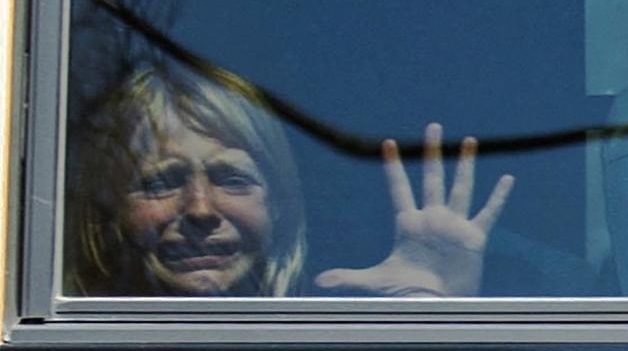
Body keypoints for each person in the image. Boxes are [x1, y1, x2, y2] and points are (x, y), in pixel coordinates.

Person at [64, 62, 514, 297]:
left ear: (277, 206)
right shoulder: (52, 321)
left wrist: (427, 307)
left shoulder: (327, 330)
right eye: (161, 182)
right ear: (109, 212)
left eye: (232, 178)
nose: (200, 208)